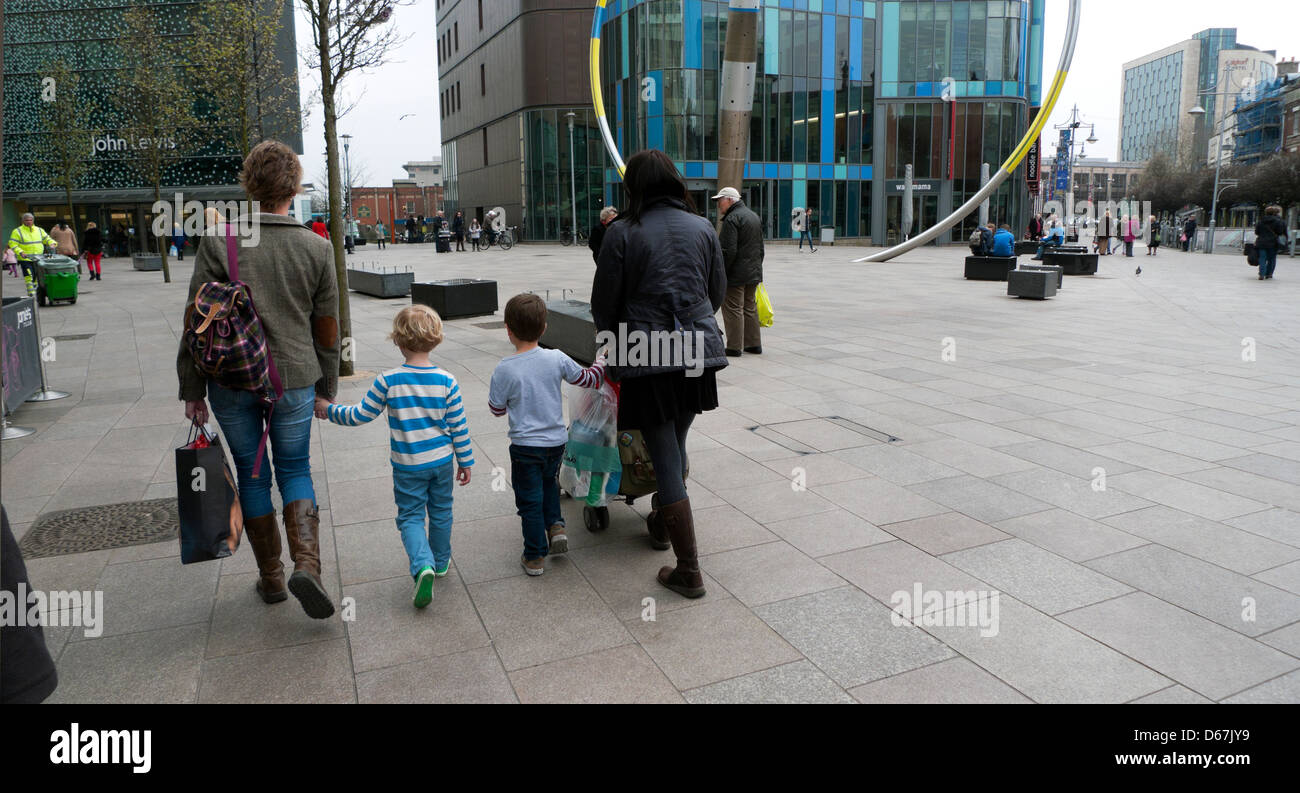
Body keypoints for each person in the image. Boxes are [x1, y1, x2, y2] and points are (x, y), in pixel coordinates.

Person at [177, 140, 340, 620]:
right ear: (294, 187)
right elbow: (327, 327)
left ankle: (271, 577)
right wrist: (326, 386)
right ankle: (306, 565)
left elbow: (195, 321)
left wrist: (191, 390)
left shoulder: (219, 240)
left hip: (229, 382)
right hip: (293, 378)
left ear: (249, 186)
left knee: (252, 473)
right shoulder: (317, 246)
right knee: (295, 469)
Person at [591, 149, 728, 598]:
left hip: (647, 354)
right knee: (676, 441)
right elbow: (716, 292)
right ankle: (660, 520)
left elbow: (604, 304)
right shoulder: (703, 227)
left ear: (634, 187)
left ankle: (688, 567)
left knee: (665, 451)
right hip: (695, 353)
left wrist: (610, 349)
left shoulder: (622, 232)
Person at [316, 305, 473, 607]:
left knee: (411, 516)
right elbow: (459, 427)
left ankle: (422, 564)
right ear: (436, 339)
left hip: (407, 465)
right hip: (441, 462)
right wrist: (465, 461)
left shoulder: (388, 381)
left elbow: (360, 415)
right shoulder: (447, 381)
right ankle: (440, 562)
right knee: (441, 511)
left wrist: (328, 410)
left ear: (398, 341)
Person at [488, 294, 607, 576]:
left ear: (508, 329)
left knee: (529, 500)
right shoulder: (556, 358)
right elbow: (589, 379)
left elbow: (496, 409)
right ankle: (556, 527)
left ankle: (534, 556)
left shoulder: (505, 368)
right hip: (556, 443)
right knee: (550, 485)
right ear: (544, 328)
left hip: (525, 447)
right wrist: (602, 361)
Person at [713, 186, 764, 357]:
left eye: (720, 201)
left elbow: (728, 250)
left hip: (736, 273)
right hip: (753, 272)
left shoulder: (732, 218)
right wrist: (756, 268)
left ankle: (734, 347)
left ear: (729, 200)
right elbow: (760, 248)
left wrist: (722, 273)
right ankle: (753, 344)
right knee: (749, 307)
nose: (719, 205)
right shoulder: (753, 216)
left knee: (733, 308)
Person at [8, 213, 56, 279]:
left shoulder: (39, 230)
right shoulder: (17, 231)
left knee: (38, 277)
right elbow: (12, 244)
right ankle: (31, 289)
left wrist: (52, 243)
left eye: (30, 220)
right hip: (25, 258)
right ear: (23, 221)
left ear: (33, 220)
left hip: (38, 258)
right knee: (29, 277)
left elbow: (47, 239)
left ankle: (37, 288)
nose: (29, 222)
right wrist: (20, 252)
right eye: (26, 220)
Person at [1255, 204, 1288, 280]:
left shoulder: (1261, 221)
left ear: (1265, 213)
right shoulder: (1277, 221)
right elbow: (1280, 232)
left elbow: (1257, 232)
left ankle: (1262, 274)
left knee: (1262, 258)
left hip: (1262, 242)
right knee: (1271, 258)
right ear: (1274, 213)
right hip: (1273, 243)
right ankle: (1269, 274)